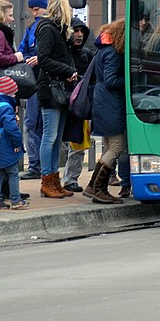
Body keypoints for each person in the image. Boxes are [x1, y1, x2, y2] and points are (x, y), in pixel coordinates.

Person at [34, 0, 78, 199]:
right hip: (51, 89)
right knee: (50, 136)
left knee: (56, 138)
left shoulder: (57, 30)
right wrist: (67, 70)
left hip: (58, 87)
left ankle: (53, 181)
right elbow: (43, 58)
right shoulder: (48, 29)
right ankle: (47, 180)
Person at [0, 0, 31, 202]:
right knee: (6, 137)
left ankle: (1, 193)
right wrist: (16, 56)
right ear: (1, 15)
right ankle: (8, 193)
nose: (13, 19)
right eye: (10, 14)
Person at [83, 19, 126, 204]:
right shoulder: (113, 53)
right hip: (110, 103)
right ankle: (97, 188)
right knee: (117, 146)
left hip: (102, 101)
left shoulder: (103, 49)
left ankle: (95, 187)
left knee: (109, 146)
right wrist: (129, 83)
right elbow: (111, 80)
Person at [59, 19, 92, 193]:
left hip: (79, 105)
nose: (79, 34)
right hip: (63, 102)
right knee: (60, 142)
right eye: (75, 30)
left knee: (77, 144)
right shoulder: (63, 53)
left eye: (82, 31)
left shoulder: (86, 54)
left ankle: (71, 179)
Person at [17, 0, 47, 180]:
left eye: (36, 9)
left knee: (33, 124)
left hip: (37, 82)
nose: (34, 13)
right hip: (39, 82)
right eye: (32, 10)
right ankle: (40, 166)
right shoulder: (35, 28)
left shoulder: (35, 29)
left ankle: (37, 165)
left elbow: (23, 51)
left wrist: (30, 57)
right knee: (39, 125)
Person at [0, 76, 28, 210]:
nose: (15, 95)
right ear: (8, 93)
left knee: (0, 173)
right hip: (5, 145)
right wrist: (17, 144)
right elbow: (11, 129)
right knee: (13, 173)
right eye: (13, 93)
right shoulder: (5, 107)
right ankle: (16, 200)